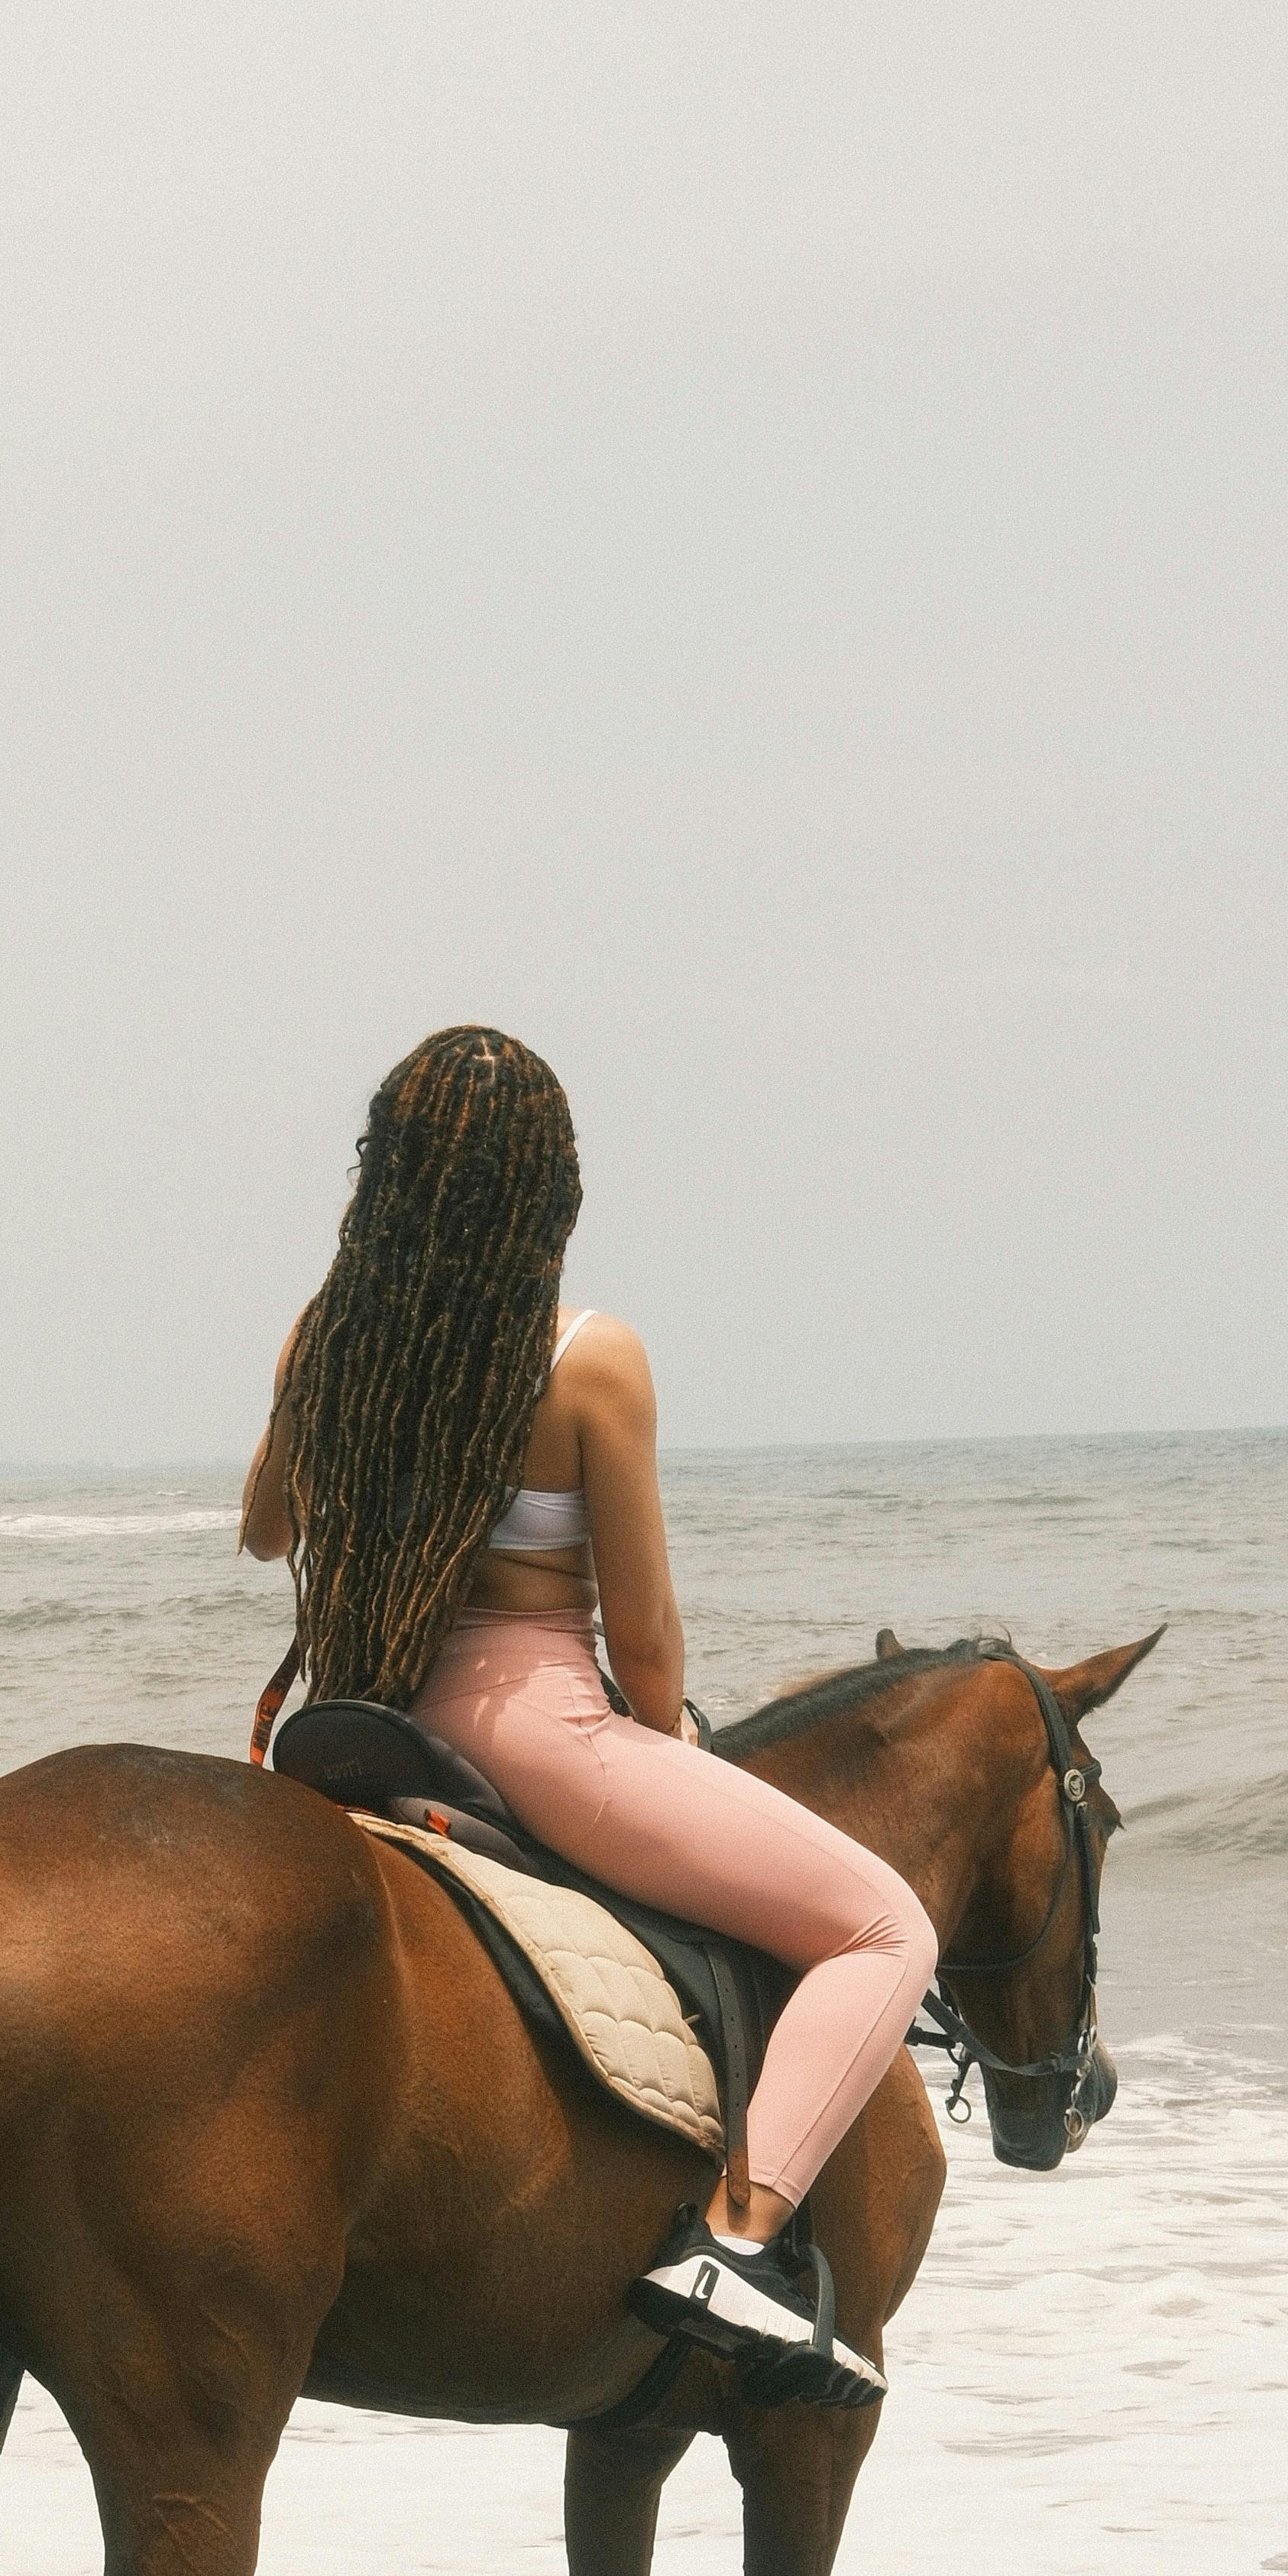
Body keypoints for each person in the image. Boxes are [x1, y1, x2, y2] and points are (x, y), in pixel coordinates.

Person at [239, 1025, 934, 2404]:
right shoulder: (588, 1358)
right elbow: (648, 1636)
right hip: (536, 1732)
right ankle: (736, 2243)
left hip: (363, 1722)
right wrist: (663, 1738)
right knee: (885, 1928)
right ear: (547, 1186)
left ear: (385, 1175)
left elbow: (268, 1532)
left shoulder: (324, 1342)